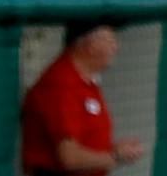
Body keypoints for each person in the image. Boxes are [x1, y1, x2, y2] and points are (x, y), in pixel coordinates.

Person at [19, 19, 145, 174]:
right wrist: (116, 156)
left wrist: (113, 150)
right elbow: (69, 158)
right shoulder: (61, 83)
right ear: (89, 44)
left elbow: (85, 143)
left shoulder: (85, 82)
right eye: (109, 39)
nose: (115, 47)